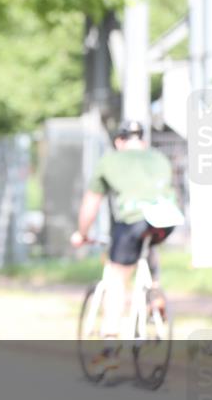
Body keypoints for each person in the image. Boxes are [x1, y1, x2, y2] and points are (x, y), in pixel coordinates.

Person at [70, 120, 180, 361]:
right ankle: (155, 294)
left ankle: (110, 341)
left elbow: (91, 203)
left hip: (132, 220)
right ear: (142, 140)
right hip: (166, 220)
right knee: (147, 246)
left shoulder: (110, 160)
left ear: (119, 141)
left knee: (117, 274)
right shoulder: (159, 159)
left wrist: (82, 233)